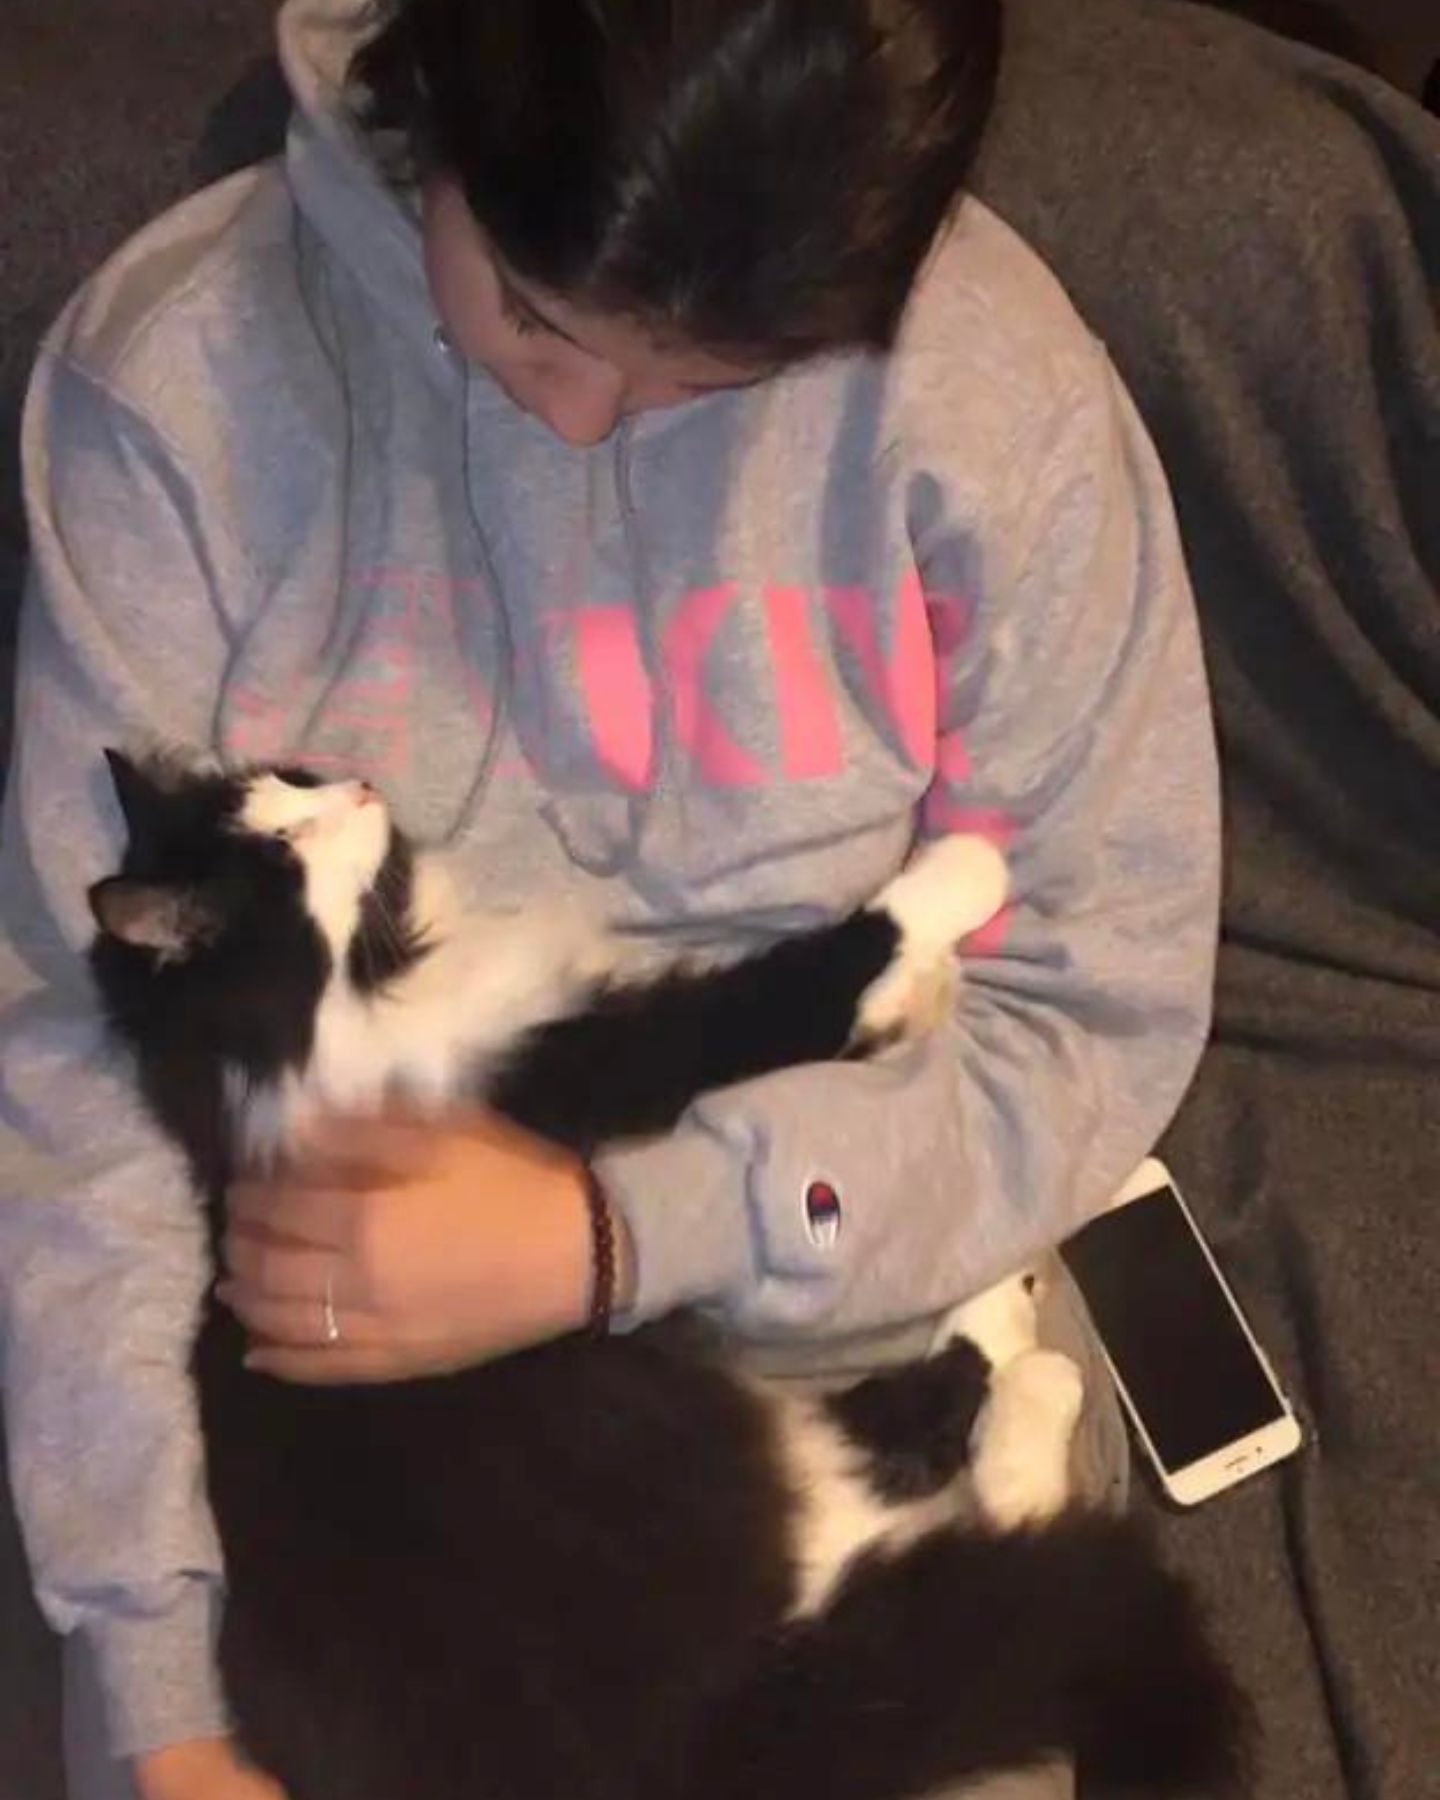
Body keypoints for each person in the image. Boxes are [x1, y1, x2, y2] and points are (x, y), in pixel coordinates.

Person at [0, 1, 1217, 1796]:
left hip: (852, 1277)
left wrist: (625, 1229)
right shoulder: (182, 393)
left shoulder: (992, 401)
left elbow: (1088, 1004)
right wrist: (155, 1691)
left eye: (714, 385)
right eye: (533, 318)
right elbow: (72, 1096)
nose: (583, 428)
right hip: (361, 1497)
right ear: (455, 116)